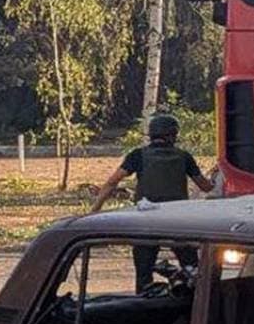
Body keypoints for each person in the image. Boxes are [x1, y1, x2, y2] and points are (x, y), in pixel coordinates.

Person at [89, 111, 213, 293]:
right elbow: (205, 187)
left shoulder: (138, 155)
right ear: (174, 135)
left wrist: (95, 210)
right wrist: (215, 177)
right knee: (191, 268)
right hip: (178, 221)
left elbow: (112, 182)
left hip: (146, 221)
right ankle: (195, 302)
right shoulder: (184, 157)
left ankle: (144, 299)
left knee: (144, 272)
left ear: (151, 134)